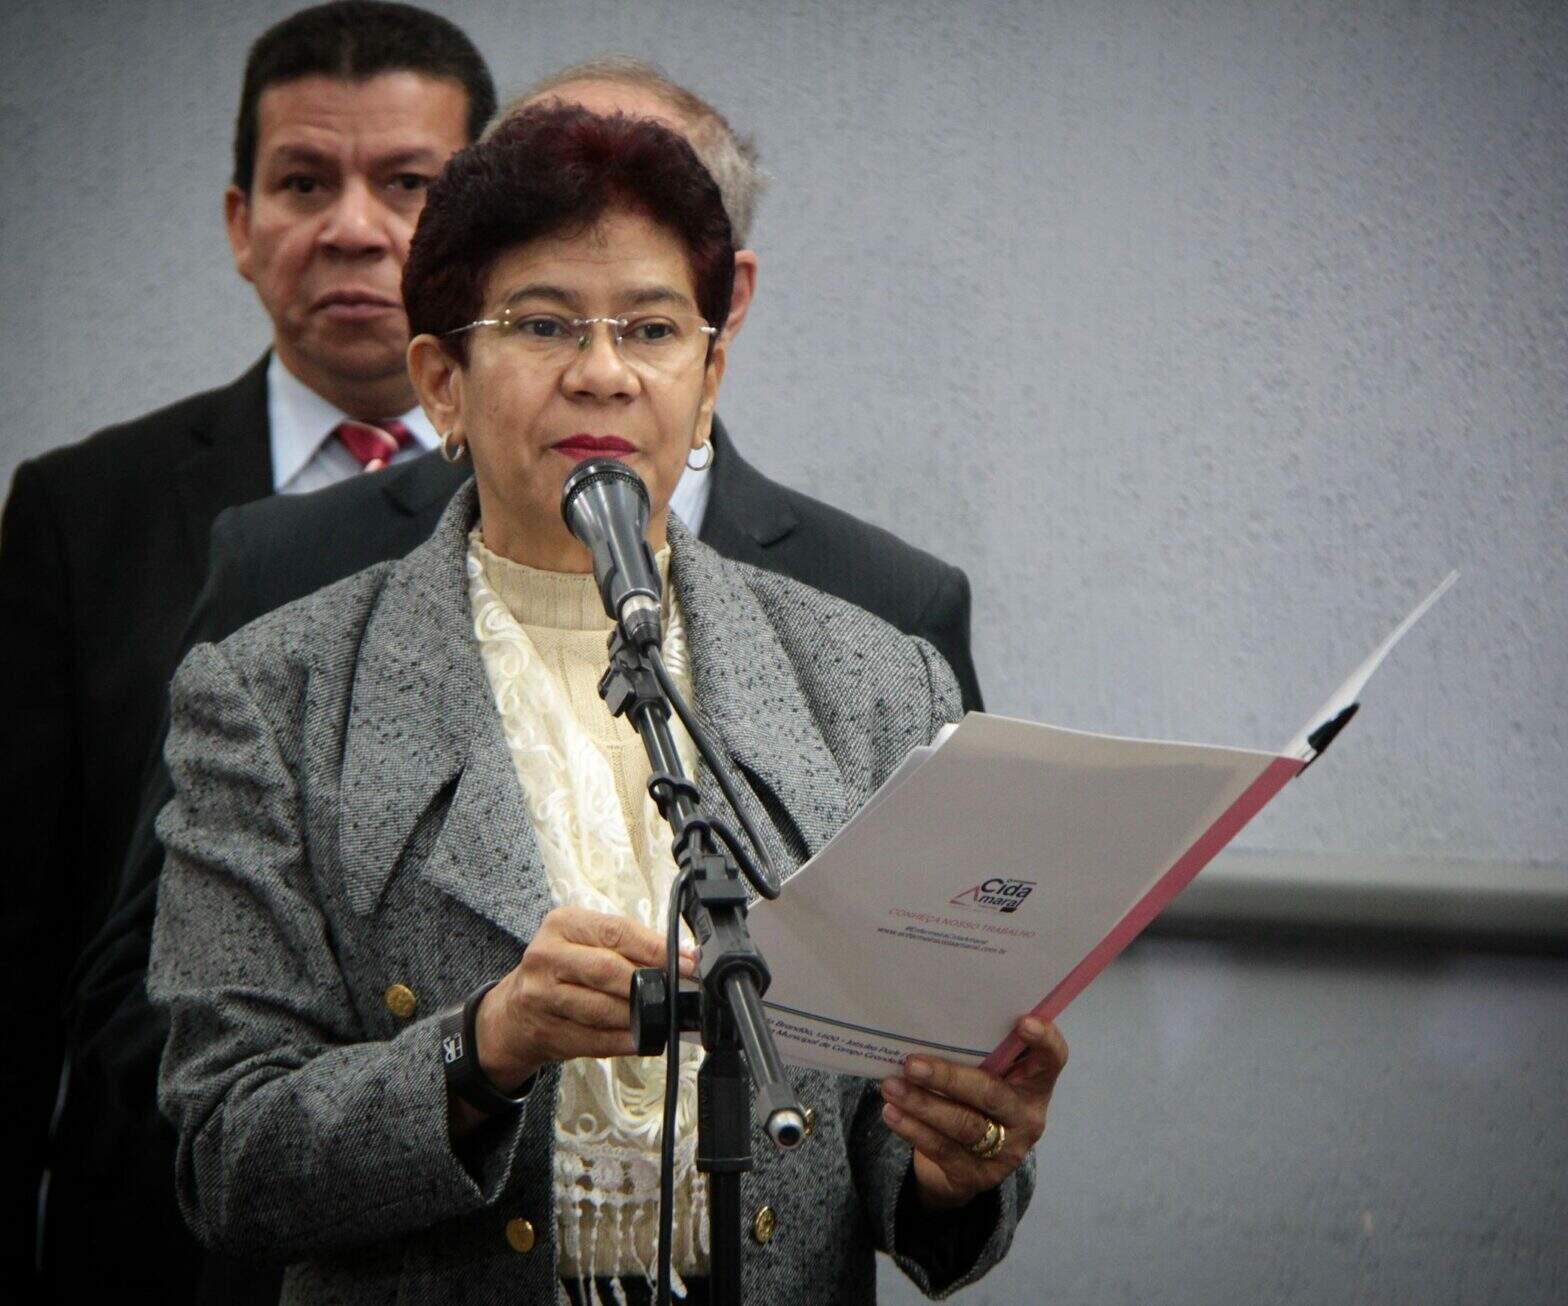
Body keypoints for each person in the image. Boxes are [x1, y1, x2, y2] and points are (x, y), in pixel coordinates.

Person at [68, 60, 987, 1304]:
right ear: (441, 380)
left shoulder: (875, 678)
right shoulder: (274, 692)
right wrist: (482, 1047)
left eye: (653, 329)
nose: (604, 372)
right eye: (546, 325)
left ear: (708, 378)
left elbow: (889, 1139)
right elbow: (228, 1155)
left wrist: (964, 1149)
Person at [0, 4, 495, 1299]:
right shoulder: (79, 512)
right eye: (301, 182)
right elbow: (30, 931)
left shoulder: (572, 519)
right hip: (165, 1243)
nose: (350, 227)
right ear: (240, 224)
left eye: (407, 184)